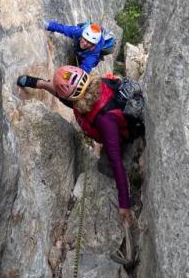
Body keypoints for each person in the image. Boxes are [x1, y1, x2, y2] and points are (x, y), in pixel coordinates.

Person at [17, 65, 134, 226]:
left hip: (118, 134)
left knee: (106, 166)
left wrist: (124, 204)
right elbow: (51, 87)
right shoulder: (85, 87)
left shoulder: (104, 120)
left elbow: (116, 162)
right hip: (91, 110)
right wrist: (30, 81)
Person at [43, 20, 109, 73]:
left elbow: (85, 70)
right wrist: (47, 25)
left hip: (87, 55)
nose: (85, 43)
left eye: (89, 42)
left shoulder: (93, 54)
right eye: (85, 39)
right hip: (82, 48)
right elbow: (63, 28)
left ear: (93, 45)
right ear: (82, 36)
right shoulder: (78, 32)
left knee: (82, 60)